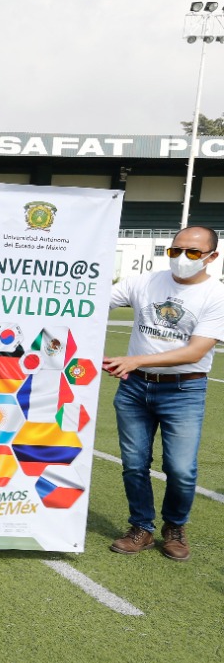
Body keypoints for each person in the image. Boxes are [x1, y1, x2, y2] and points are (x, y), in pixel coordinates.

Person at [105, 225, 224, 560]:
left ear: (211, 257)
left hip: (184, 390)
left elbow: (194, 352)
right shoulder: (143, 281)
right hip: (134, 387)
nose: (181, 258)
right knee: (133, 463)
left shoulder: (216, 295)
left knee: (181, 468)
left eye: (193, 253)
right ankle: (141, 527)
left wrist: (133, 359)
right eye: (175, 250)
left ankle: (174, 526)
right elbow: (94, 303)